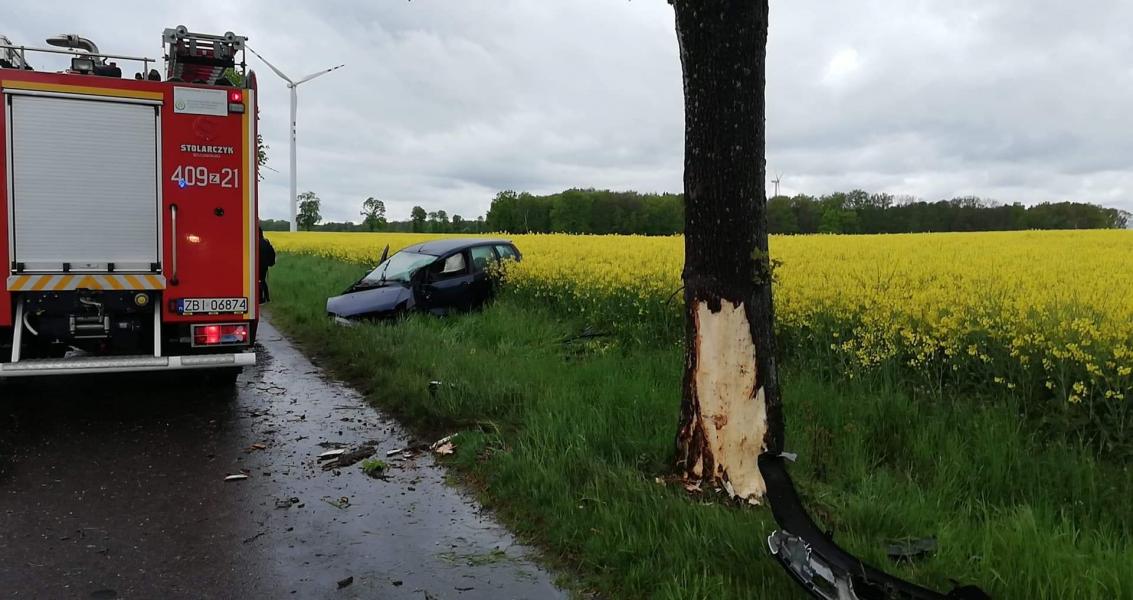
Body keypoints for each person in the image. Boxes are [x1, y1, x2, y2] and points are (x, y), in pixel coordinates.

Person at [259, 227, 276, 303]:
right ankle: (266, 297)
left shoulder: (252, 242)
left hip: (256, 266)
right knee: (262, 280)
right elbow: (272, 253)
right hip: (264, 266)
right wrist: (270, 263)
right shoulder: (266, 242)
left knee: (258, 281)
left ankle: (260, 298)